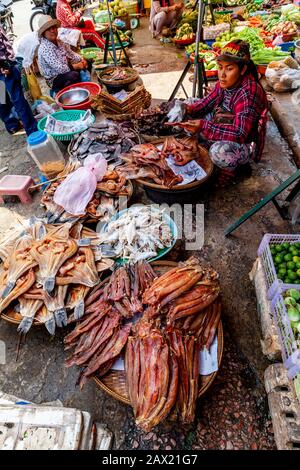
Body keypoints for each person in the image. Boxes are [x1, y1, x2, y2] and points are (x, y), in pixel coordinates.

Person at [169, 40, 269, 186]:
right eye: (220, 67)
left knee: (218, 152)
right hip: (226, 123)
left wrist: (204, 126)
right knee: (190, 105)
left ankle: (233, 169)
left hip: (245, 141)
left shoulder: (249, 91)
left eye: (229, 68)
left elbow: (240, 133)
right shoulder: (225, 83)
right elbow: (206, 103)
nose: (222, 74)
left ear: (242, 70)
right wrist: (187, 109)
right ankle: (208, 146)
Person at [0, 26, 38, 136]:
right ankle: (32, 129)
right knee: (18, 99)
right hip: (5, 69)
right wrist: (4, 65)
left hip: (4, 68)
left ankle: (12, 125)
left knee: (2, 99)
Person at [37, 15, 88, 93]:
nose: (52, 30)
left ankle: (81, 89)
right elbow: (61, 69)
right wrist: (77, 66)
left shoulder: (59, 41)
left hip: (66, 69)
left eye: (53, 28)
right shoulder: (45, 48)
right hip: (54, 78)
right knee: (74, 75)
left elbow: (71, 54)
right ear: (44, 33)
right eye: (49, 29)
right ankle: (59, 92)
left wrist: (82, 59)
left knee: (87, 63)